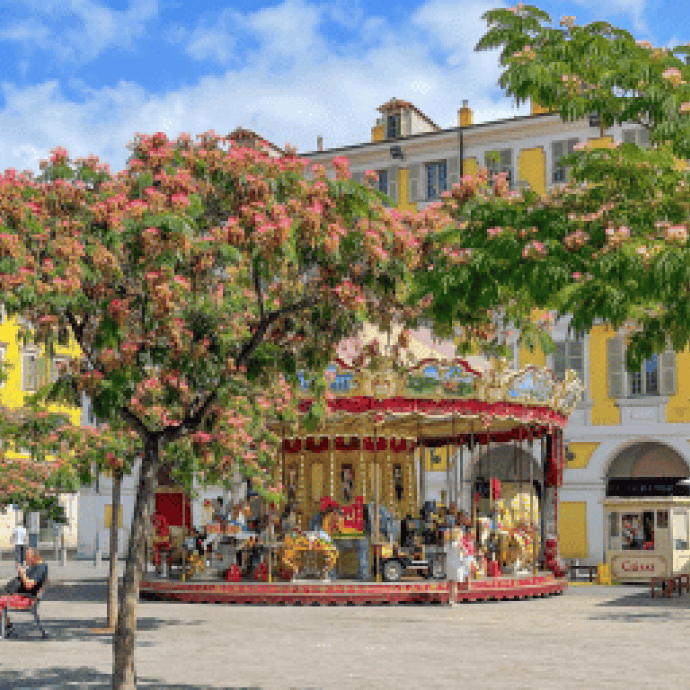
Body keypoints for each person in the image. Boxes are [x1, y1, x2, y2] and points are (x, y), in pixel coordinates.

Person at [0, 547, 48, 636]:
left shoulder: (40, 568)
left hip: (26, 600)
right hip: (18, 596)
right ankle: (7, 626)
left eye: (28, 558)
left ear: (35, 557)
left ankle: (7, 626)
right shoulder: (35, 567)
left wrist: (21, 572)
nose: (26, 560)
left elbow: (29, 585)